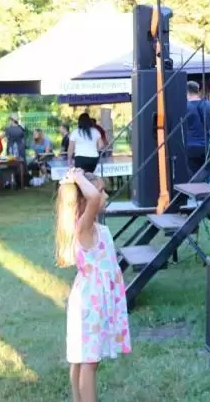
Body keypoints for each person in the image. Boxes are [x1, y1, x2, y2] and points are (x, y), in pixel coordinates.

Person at [55, 169, 131, 402]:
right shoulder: (85, 227)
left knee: (80, 358)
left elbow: (94, 197)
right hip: (91, 302)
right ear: (84, 200)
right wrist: (78, 177)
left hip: (91, 298)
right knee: (89, 362)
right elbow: (94, 198)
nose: (104, 195)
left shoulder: (92, 227)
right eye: (101, 190)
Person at [185, 81, 210, 177]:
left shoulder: (184, 107)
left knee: (193, 176)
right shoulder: (208, 105)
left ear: (187, 92)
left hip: (191, 146)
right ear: (198, 90)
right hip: (207, 147)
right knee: (208, 175)